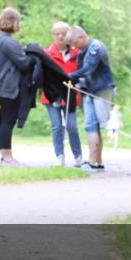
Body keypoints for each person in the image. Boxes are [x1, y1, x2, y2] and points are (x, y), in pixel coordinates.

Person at [67, 26, 115, 170]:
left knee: (97, 125)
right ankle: (96, 162)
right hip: (89, 91)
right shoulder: (83, 50)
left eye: (75, 43)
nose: (74, 47)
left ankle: (94, 162)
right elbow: (82, 72)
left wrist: (70, 76)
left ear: (82, 37)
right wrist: (74, 82)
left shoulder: (96, 47)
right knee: (91, 125)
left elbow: (88, 69)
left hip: (101, 91)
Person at [0, 8, 32, 165]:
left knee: (1, 122)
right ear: (14, 22)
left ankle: (3, 156)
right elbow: (23, 63)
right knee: (8, 121)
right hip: (10, 87)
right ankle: (8, 157)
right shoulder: (9, 41)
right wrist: (31, 54)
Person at [42, 22, 84, 166]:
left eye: (63, 33)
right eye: (57, 33)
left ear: (69, 35)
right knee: (57, 126)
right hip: (51, 95)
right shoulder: (46, 53)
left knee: (71, 126)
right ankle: (59, 156)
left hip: (70, 95)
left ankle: (78, 156)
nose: (60, 36)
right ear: (53, 35)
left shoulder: (77, 54)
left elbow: (82, 74)